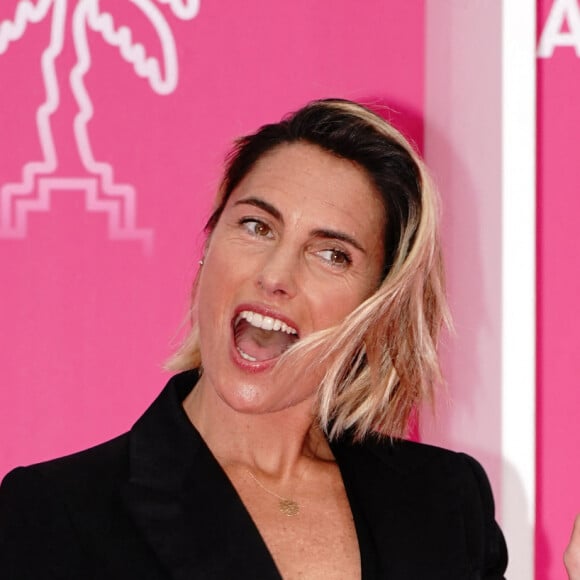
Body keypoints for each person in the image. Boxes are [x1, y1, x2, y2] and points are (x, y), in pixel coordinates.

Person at [0, 99, 508, 579]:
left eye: (332, 254)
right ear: (208, 245)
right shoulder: (53, 513)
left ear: (375, 308)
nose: (276, 274)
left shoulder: (444, 503)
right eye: (257, 226)